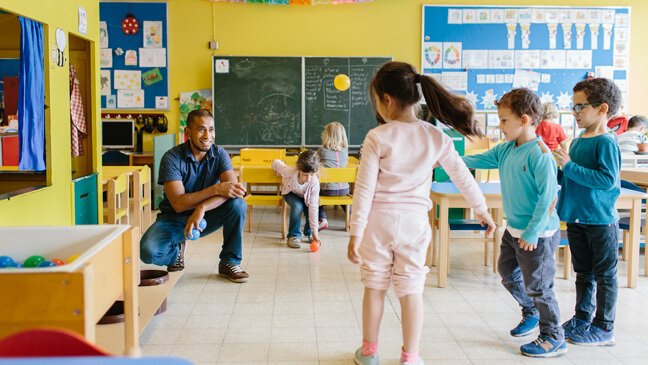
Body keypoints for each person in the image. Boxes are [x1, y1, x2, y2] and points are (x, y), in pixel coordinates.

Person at [347, 61, 495, 365]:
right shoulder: (436, 137)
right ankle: (410, 357)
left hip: (378, 223)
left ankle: (369, 353)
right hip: (415, 225)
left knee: (375, 287)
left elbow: (364, 191)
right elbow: (462, 176)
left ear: (386, 99)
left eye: (376, 100)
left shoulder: (378, 137)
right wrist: (482, 210)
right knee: (411, 290)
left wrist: (355, 232)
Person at [463, 88, 566, 358]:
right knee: (506, 272)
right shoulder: (507, 149)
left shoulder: (541, 153)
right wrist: (447, 159)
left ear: (524, 120)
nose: (500, 126)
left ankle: (554, 336)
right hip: (514, 228)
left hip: (538, 233)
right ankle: (530, 311)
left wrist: (532, 232)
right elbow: (474, 160)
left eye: (503, 120)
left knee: (539, 286)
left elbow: (549, 197)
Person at [139, 109, 249, 283]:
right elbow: (178, 203)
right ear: (188, 132)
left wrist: (202, 208)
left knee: (238, 204)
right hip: (174, 218)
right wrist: (215, 189)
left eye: (211, 129)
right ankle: (176, 253)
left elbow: (232, 191)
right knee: (148, 252)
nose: (208, 135)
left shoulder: (219, 154)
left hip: (207, 214)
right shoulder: (171, 158)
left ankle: (229, 262)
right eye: (201, 129)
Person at [554, 78, 622, 346]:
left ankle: (604, 327)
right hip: (578, 217)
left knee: (605, 276)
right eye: (573, 107)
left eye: (580, 107)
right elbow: (574, 177)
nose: (575, 113)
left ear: (602, 108)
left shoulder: (606, 141)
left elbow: (607, 180)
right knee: (583, 272)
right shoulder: (581, 138)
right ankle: (582, 317)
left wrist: (569, 167)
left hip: (600, 220)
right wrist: (558, 168)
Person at [272, 150, 321, 248]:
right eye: (305, 174)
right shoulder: (289, 171)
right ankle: (294, 235)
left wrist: (315, 232)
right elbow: (275, 162)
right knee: (297, 206)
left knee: (309, 209)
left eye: (312, 174)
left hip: (305, 197)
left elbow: (313, 207)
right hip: (291, 193)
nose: (308, 178)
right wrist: (276, 169)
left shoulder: (314, 183)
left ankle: (310, 233)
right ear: (299, 169)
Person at [317, 122, 349, 231]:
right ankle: (353, 218)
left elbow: (314, 164)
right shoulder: (345, 152)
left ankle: (322, 218)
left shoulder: (322, 151)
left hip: (327, 190)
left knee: (313, 193)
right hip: (344, 189)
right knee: (342, 197)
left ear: (327, 135)